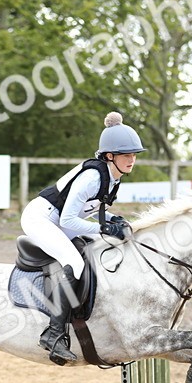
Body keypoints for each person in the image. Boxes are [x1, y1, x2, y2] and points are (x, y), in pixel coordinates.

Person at [21, 111, 144, 365]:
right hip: (41, 218)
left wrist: (114, 220)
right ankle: (53, 334)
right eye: (126, 155)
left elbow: (92, 211)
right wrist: (102, 229)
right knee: (75, 262)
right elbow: (67, 220)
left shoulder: (113, 177)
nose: (132, 159)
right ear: (110, 156)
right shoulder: (92, 177)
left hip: (59, 220)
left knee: (96, 251)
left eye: (134, 154)